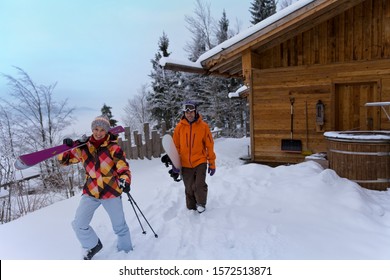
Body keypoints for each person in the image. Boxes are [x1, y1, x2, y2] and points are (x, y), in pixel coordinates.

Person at [58, 115, 133, 260]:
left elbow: (123, 167)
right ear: (92, 129)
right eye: (96, 129)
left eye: (102, 130)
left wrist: (125, 180)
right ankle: (92, 245)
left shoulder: (113, 148)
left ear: (107, 131)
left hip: (111, 192)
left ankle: (128, 254)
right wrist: (66, 148)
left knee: (119, 227)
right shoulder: (83, 148)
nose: (98, 133)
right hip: (91, 191)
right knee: (78, 223)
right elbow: (65, 161)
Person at [172, 100, 216, 213]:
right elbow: (175, 146)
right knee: (189, 187)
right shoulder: (179, 128)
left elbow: (209, 146)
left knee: (199, 184)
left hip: (200, 160)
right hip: (185, 163)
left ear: (195, 112)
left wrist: (212, 163)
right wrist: (175, 164)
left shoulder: (203, 127)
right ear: (184, 113)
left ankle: (201, 203)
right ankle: (191, 206)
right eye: (187, 112)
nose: (189, 114)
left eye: (191, 112)